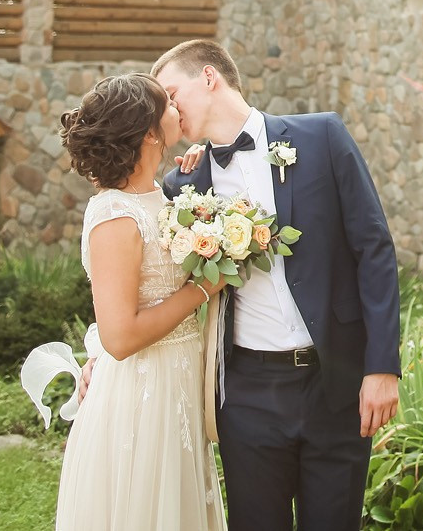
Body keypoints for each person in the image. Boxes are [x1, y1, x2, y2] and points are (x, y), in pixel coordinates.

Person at [154, 37, 402, 531]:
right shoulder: (184, 188)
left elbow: (373, 249)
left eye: (171, 93)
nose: (167, 110)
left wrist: (381, 368)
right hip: (247, 395)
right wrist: (99, 352)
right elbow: (147, 279)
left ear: (208, 78)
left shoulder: (323, 137)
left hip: (336, 383)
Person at [55, 73, 226, 531]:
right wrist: (202, 291)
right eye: (168, 103)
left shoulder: (161, 196)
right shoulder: (114, 215)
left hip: (181, 378)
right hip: (143, 393)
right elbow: (120, 337)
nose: (177, 108)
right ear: (150, 131)